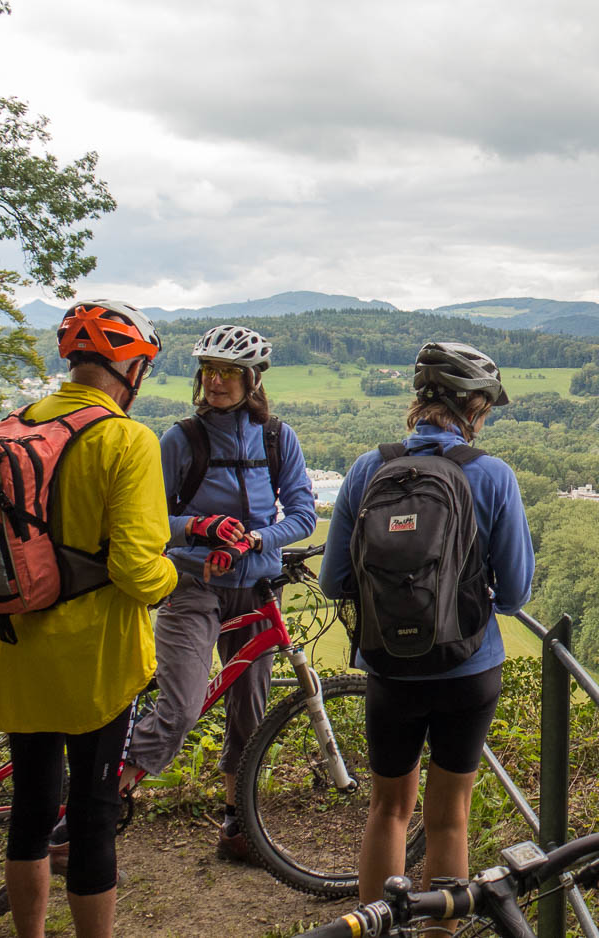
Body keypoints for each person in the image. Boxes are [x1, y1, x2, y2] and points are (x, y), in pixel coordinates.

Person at [64, 323, 316, 863]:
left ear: (252, 380)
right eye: (208, 371)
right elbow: (148, 517)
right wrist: (200, 528)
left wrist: (255, 538)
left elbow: (300, 515)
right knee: (181, 706)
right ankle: (94, 811)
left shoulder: (277, 437)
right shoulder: (182, 439)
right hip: (193, 585)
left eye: (228, 372)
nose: (216, 381)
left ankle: (236, 822)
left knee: (250, 712)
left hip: (255, 588)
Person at [0, 300, 178, 938]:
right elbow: (136, 569)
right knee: (93, 818)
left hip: (18, 650)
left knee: (31, 812)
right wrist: (176, 576)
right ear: (133, 368)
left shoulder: (10, 429)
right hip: (97, 665)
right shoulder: (127, 440)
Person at [319, 341, 533, 903]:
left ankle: (373, 925)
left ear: (420, 399)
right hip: (469, 668)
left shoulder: (370, 468)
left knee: (388, 811)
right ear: (475, 408)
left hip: (390, 667)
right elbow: (513, 596)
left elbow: (331, 579)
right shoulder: (493, 476)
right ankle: (442, 928)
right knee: (450, 820)